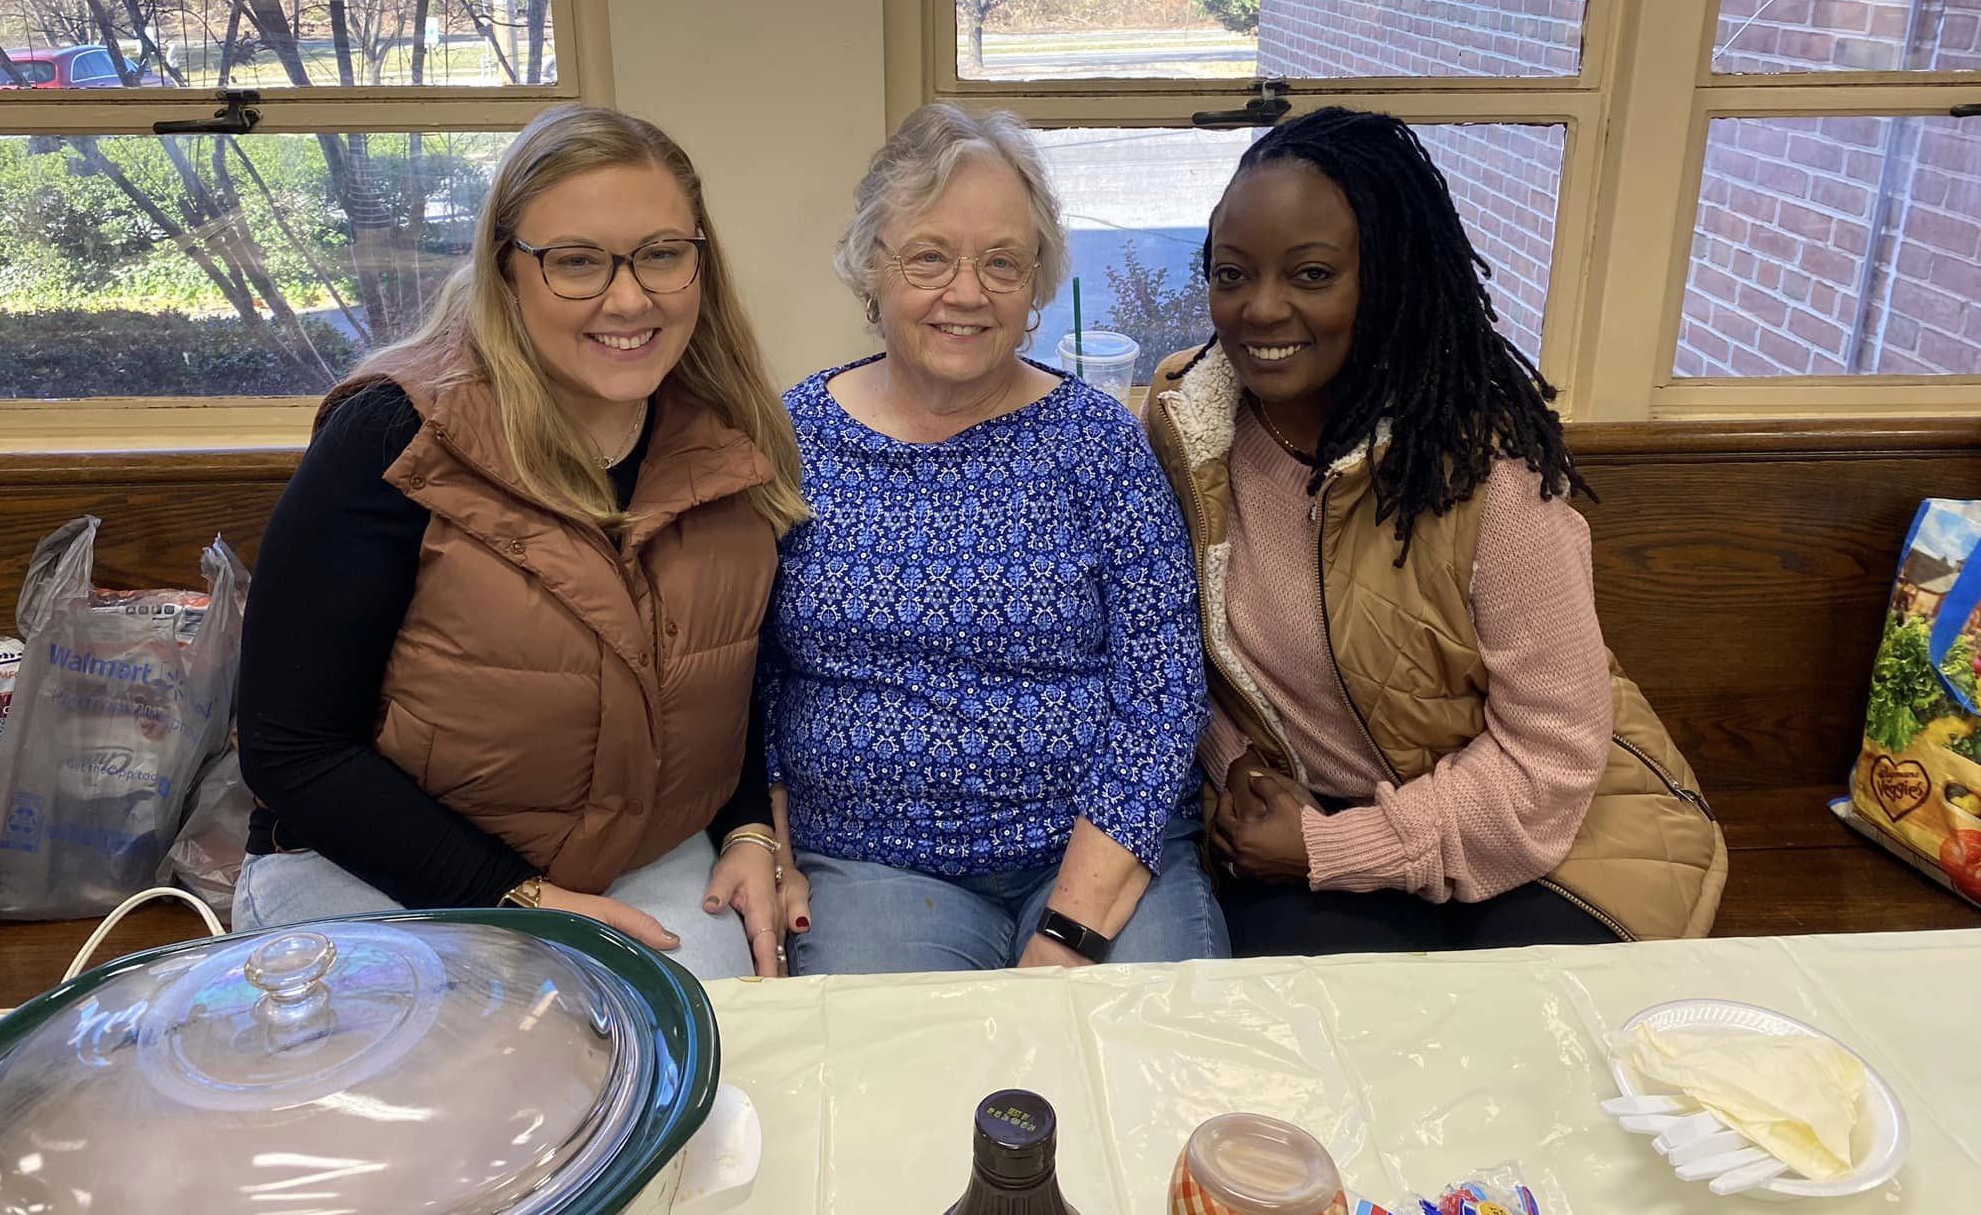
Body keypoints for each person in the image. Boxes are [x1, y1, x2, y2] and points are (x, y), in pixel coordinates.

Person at [234, 105, 810, 980]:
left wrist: (748, 829)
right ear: (506, 274)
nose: (629, 298)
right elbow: (290, 748)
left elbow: (716, 680)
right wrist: (523, 899)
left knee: (708, 1074)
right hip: (380, 874)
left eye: (661, 253)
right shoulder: (394, 438)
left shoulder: (731, 444)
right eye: (575, 262)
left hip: (639, 859)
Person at [1143, 107, 1727, 955]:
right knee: (1310, 1047)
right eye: (1231, 274)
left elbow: (1553, 758)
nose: (1259, 309)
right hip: (1308, 822)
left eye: (1311, 274)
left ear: (1390, 278)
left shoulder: (1487, 472)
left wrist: (1337, 848)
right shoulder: (1190, 434)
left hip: (1552, 835)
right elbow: (1176, 650)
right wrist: (1239, 765)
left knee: (1522, 1049)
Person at [765, 103, 1226, 974]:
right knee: (904, 1091)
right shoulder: (794, 439)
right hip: (871, 863)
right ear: (872, 269)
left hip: (1097, 848)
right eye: (929, 256)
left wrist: (1074, 928)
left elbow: (1164, 686)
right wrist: (772, 847)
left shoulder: (1097, 441)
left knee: (1145, 1072)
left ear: (1037, 289)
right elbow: (747, 679)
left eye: (1002, 263)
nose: (967, 292)